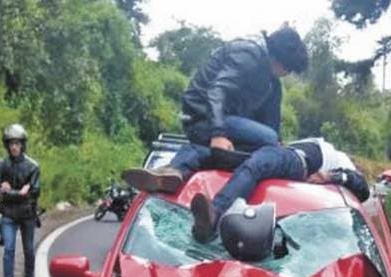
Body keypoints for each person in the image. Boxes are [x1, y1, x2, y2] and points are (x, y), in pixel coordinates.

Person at [125, 25, 308, 194]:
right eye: (288, 68)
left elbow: (271, 123)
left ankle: (177, 169)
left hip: (226, 122)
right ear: (279, 58)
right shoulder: (248, 54)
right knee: (267, 137)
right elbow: (217, 90)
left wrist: (279, 153)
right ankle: (186, 160)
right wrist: (218, 134)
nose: (287, 74)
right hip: (201, 116)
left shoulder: (271, 84)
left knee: (267, 146)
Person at [188, 138, 371, 243]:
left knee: (255, 166)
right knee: (205, 153)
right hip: (282, 161)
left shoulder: (338, 159)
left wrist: (334, 177)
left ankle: (215, 216)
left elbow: (363, 189)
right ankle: (175, 173)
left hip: (297, 160)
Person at [0, 123, 40, 277]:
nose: (14, 146)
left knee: (28, 248)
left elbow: (34, 192)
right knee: (9, 247)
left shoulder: (33, 166)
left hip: (27, 213)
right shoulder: (1, 165)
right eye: (11, 143)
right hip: (8, 212)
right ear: (7, 145)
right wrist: (20, 192)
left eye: (17, 143)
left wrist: (10, 191)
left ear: (22, 144)